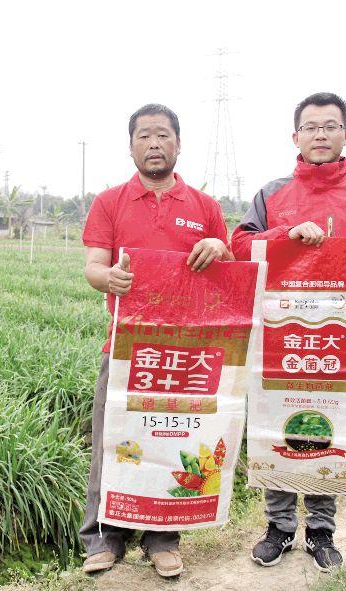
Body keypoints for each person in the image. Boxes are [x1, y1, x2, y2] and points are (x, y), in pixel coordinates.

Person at [231, 92, 346, 573]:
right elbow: (241, 247)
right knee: (278, 419)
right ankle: (278, 526)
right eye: (311, 127)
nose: (320, 134)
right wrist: (284, 235)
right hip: (281, 336)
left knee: (331, 422)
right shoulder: (271, 196)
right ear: (295, 137)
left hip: (339, 339)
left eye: (330, 126)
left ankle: (320, 530)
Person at [80, 104, 233, 578]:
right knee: (113, 439)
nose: (153, 144)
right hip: (127, 345)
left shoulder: (204, 207)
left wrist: (219, 248)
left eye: (162, 135)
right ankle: (103, 538)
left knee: (173, 437)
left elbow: (226, 266)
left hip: (186, 348)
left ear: (178, 144)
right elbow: (93, 267)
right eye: (143, 136)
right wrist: (110, 279)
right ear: (130, 147)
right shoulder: (109, 202)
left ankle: (163, 538)